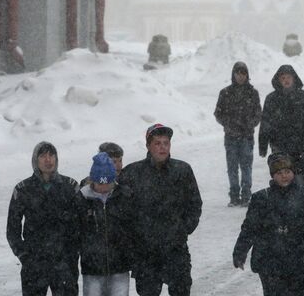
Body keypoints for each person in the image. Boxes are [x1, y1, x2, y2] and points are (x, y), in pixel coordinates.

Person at [119, 124, 203, 296]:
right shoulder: (132, 173)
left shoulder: (182, 170)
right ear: (148, 146)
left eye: (166, 143)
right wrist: (135, 235)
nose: (162, 147)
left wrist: (184, 228)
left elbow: (194, 203)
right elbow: (123, 210)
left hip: (176, 249)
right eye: (157, 143)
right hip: (145, 252)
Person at [233, 152, 304, 296]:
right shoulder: (261, 198)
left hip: (299, 260)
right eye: (279, 172)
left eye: (287, 171)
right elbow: (250, 227)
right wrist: (240, 252)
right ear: (272, 175)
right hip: (269, 261)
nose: (284, 176)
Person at [7, 141, 80, 296]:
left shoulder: (70, 187)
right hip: (34, 265)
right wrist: (24, 255)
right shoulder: (23, 189)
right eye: (43, 156)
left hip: (64, 264)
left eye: (51, 155)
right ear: (35, 160)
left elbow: (80, 224)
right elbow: (12, 229)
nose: (48, 160)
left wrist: (72, 254)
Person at [78, 152, 136, 296]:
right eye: (99, 183)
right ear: (92, 181)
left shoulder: (125, 196)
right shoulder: (81, 199)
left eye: (107, 183)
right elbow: (74, 231)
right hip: (92, 269)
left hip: (120, 267)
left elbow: (134, 228)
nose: (103, 187)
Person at [214, 61, 262, 207]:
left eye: (243, 73)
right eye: (238, 73)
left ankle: (246, 195)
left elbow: (258, 113)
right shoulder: (225, 93)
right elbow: (218, 113)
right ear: (233, 74)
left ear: (247, 75)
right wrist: (228, 125)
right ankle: (234, 196)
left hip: (247, 137)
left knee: (246, 167)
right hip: (231, 137)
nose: (240, 76)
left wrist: (249, 124)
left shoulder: (253, 93)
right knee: (232, 167)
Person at [259, 64, 304, 163]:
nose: (286, 80)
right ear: (278, 80)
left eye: (288, 77)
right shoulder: (271, 98)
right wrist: (263, 145)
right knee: (282, 174)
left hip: (300, 144)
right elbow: (265, 122)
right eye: (283, 78)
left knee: (300, 175)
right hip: (278, 143)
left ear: (294, 78)